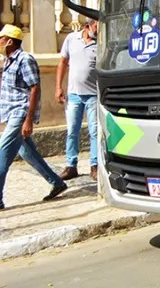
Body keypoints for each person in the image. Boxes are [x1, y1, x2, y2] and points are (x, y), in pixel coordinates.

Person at [0, 24, 68, 209]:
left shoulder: (25, 59)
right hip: (10, 112)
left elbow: (35, 88)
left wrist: (28, 120)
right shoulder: (8, 60)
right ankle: (57, 182)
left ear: (10, 41)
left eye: (1, 39)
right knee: (27, 152)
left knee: (2, 152)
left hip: (20, 113)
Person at [55, 18, 98, 181]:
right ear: (88, 26)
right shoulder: (71, 39)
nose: (99, 30)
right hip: (74, 94)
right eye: (96, 26)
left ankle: (95, 165)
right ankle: (71, 165)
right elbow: (63, 62)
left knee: (94, 131)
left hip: (93, 94)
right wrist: (58, 87)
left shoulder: (100, 43)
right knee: (72, 130)